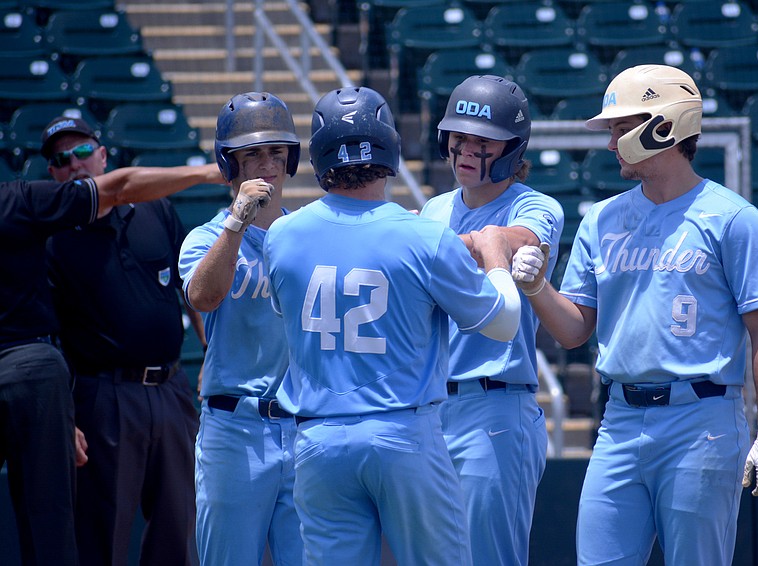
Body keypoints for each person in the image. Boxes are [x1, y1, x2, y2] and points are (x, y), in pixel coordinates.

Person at [511, 64, 758, 566]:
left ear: (665, 124)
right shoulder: (602, 217)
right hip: (619, 418)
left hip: (701, 418)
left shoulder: (735, 219)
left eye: (621, 128)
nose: (612, 141)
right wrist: (536, 288)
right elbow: (575, 330)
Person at [263, 86, 522, 566]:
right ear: (388, 148)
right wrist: (495, 258)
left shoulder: (282, 234)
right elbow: (502, 324)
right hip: (403, 433)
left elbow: (287, 313)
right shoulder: (423, 233)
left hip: (317, 441)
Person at [0, 127, 222, 566]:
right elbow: (50, 334)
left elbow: (190, 286)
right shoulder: (49, 236)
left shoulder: (155, 208)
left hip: (170, 387)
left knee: (179, 529)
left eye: (82, 152)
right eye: (62, 160)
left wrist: (209, 350)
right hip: (105, 396)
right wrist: (68, 417)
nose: (75, 163)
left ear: (103, 155)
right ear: (53, 174)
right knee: (103, 535)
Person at [418, 74, 564, 565]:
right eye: (458, 137)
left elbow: (517, 239)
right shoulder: (433, 210)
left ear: (510, 149)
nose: (465, 150)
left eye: (482, 142)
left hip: (494, 406)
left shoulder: (535, 205)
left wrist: (458, 251)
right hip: (431, 407)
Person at [177, 92, 304, 565]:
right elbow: (203, 298)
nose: (267, 164)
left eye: (276, 152)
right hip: (235, 428)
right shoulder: (207, 236)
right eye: (252, 154)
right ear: (229, 165)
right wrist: (237, 222)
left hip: (302, 424)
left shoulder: (308, 234)